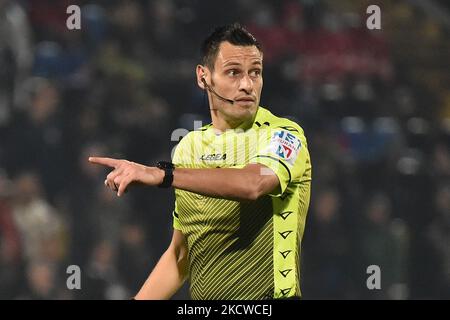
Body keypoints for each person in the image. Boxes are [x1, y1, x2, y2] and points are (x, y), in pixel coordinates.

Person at [89, 23, 312, 300]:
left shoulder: (284, 135)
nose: (247, 85)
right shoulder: (188, 148)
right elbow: (181, 255)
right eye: (234, 72)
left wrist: (163, 175)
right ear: (203, 77)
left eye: (255, 73)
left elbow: (253, 184)